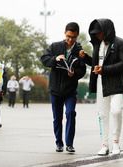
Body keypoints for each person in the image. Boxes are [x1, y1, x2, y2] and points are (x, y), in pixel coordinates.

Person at [79, 18, 123, 155]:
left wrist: (104, 70)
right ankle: (104, 144)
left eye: (99, 32)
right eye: (95, 33)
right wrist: (85, 58)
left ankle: (116, 143)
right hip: (101, 83)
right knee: (102, 115)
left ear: (107, 31)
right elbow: (96, 63)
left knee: (116, 111)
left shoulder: (122, 43)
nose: (97, 35)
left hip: (117, 84)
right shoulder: (97, 45)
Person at [40, 22, 87, 153]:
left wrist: (75, 74)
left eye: (73, 37)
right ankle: (59, 143)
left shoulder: (80, 51)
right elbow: (44, 59)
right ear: (65, 33)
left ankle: (69, 144)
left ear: (77, 36)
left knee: (70, 113)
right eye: (68, 36)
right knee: (57, 117)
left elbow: (82, 70)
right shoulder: (55, 46)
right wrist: (55, 59)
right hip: (55, 89)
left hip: (70, 90)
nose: (70, 40)